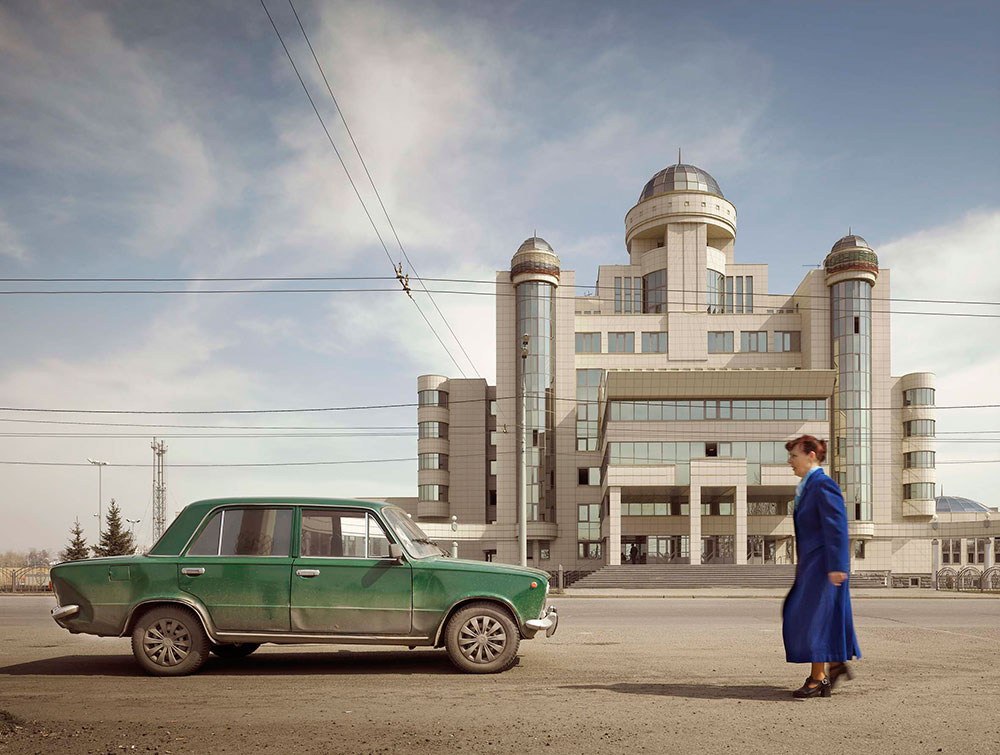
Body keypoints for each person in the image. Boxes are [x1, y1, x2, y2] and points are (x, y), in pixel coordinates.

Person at [781, 435, 860, 698]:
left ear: (811, 455)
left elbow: (836, 526)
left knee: (812, 618)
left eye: (794, 456)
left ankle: (820, 677)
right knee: (809, 616)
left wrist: (837, 566)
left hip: (825, 567)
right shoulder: (807, 485)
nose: (790, 461)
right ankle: (833, 666)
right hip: (813, 566)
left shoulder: (823, 484)